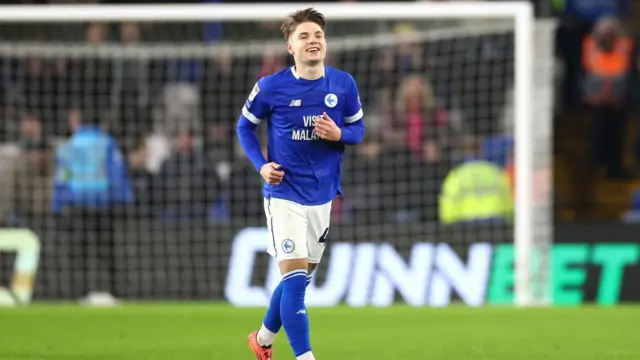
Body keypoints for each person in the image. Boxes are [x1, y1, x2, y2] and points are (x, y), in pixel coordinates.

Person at [236, 8, 365, 360]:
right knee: (294, 280)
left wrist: (339, 133)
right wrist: (262, 166)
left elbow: (358, 131)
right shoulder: (270, 86)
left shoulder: (343, 84)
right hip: (284, 194)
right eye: (305, 36)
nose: (313, 41)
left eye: (318, 35)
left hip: (323, 196)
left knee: (299, 281)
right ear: (290, 46)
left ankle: (261, 340)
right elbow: (244, 127)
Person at [53, 109, 133, 305]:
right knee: (106, 250)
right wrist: (125, 197)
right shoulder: (106, 142)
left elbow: (62, 177)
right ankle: (112, 292)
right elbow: (116, 170)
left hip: (76, 203)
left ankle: (79, 293)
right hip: (102, 203)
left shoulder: (68, 145)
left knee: (78, 250)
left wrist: (58, 203)